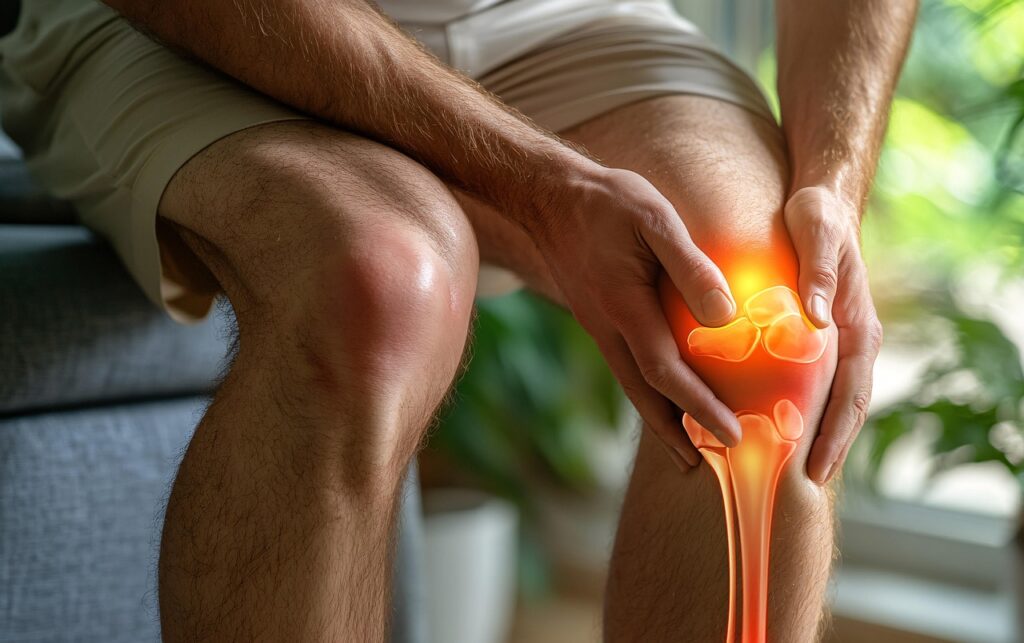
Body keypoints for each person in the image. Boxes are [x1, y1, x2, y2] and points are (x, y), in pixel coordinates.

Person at [0, 0, 914, 639]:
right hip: (202, 28)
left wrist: (832, 181)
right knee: (378, 281)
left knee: (775, 329)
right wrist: (545, 187)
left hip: (560, 17)